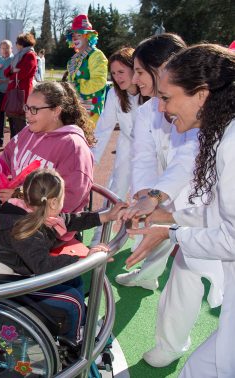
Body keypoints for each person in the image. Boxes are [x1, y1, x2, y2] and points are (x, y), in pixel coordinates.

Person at [123, 44, 235, 377]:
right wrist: (164, 217)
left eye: (167, 98)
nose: (160, 108)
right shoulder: (222, 132)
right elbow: (217, 214)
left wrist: (171, 232)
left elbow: (230, 236)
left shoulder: (231, 143)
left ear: (201, 95)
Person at [0, 81, 95, 247]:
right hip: (14, 206)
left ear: (56, 111)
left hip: (47, 222)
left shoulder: (73, 146)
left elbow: (69, 199)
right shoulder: (29, 131)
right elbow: (7, 156)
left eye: (34, 109)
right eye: (27, 107)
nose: (27, 114)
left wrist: (21, 197)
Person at [115, 34, 194, 293]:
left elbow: (187, 158)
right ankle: (149, 275)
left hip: (202, 204)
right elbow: (144, 156)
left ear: (164, 67)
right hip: (171, 195)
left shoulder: (196, 106)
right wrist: (145, 195)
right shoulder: (147, 110)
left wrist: (155, 196)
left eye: (139, 71)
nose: (135, 80)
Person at [0, 168, 124, 277]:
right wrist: (84, 260)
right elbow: (43, 266)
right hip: (10, 276)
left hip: (24, 264)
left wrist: (106, 216)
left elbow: (71, 220)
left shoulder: (38, 212)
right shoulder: (25, 230)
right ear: (54, 203)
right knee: (69, 302)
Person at [89, 47, 144, 245]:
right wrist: (89, 162)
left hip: (150, 152)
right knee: (114, 191)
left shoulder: (149, 93)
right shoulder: (114, 94)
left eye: (121, 72)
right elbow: (103, 129)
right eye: (113, 73)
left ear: (134, 69)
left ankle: (139, 246)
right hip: (127, 146)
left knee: (144, 194)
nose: (117, 77)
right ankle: (99, 240)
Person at [65, 14, 108, 127]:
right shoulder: (73, 59)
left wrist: (76, 87)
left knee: (90, 142)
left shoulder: (97, 55)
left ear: (88, 36)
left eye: (79, 34)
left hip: (91, 111)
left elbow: (99, 81)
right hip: (76, 108)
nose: (75, 38)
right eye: (73, 36)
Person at [3, 33, 38, 138]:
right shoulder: (19, 56)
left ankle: (22, 147)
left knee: (20, 122)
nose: (15, 46)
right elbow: (6, 72)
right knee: (13, 123)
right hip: (14, 91)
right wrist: (14, 70)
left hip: (21, 93)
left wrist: (13, 71)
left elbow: (23, 73)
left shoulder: (30, 55)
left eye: (16, 43)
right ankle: (13, 147)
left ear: (21, 44)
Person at [0, 40, 14, 148]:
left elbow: (16, 78)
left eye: (7, 48)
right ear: (0, 49)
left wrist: (4, 81)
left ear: (11, 49)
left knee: (12, 119)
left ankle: (13, 143)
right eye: (3, 48)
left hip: (11, 94)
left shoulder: (15, 60)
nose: (5, 50)